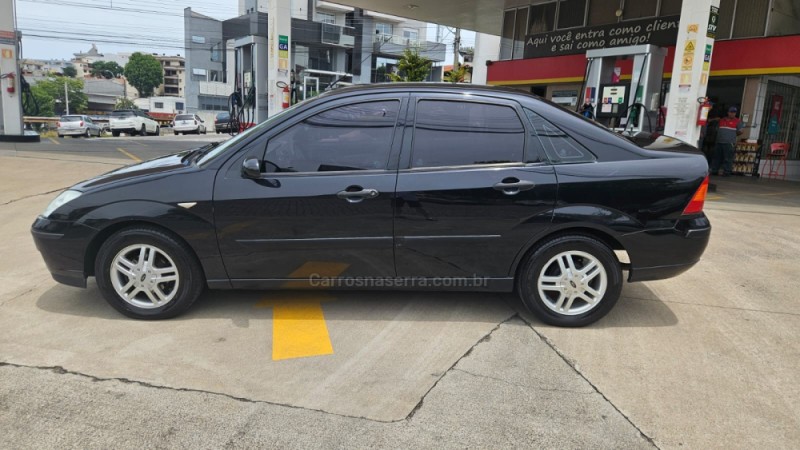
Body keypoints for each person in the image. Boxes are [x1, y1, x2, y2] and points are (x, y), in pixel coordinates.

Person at [710, 106, 744, 176]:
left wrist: (732, 135)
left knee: (728, 158)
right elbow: (717, 130)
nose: (732, 114)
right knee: (716, 157)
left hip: (729, 143)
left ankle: (727, 172)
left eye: (734, 112)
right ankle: (714, 170)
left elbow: (740, 131)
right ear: (728, 112)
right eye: (731, 112)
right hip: (719, 142)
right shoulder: (722, 120)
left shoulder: (737, 121)